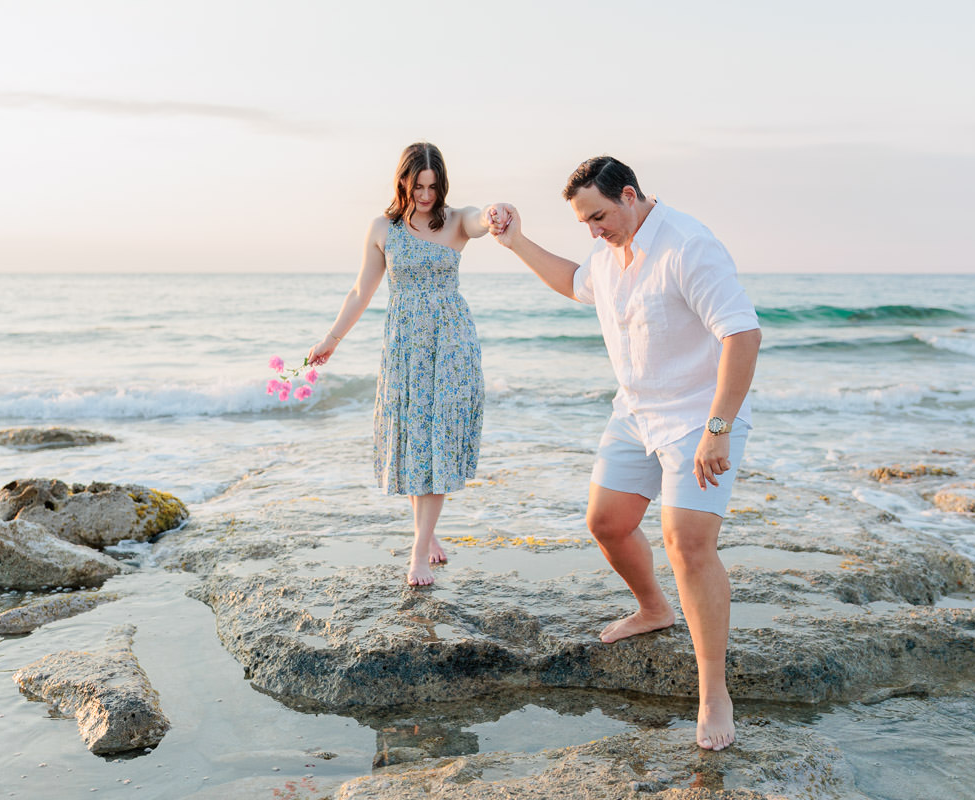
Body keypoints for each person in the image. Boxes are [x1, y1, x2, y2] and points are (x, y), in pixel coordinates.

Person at [486, 156, 760, 752]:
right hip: (635, 414)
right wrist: (515, 242)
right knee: (607, 522)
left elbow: (742, 333)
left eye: (599, 217)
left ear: (630, 195)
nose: (593, 231)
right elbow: (571, 281)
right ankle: (655, 608)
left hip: (698, 417)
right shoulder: (611, 253)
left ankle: (713, 690)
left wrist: (719, 428)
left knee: (688, 543)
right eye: (585, 221)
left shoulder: (688, 245)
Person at [308, 142, 498, 587]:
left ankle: (417, 552)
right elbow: (360, 291)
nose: (427, 195)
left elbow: (477, 218)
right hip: (405, 348)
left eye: (434, 186)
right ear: (404, 182)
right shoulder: (382, 228)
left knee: (438, 440)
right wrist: (331, 339)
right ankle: (426, 535)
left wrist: (493, 213)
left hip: (451, 345)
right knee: (415, 442)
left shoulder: (454, 222)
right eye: (419, 186)